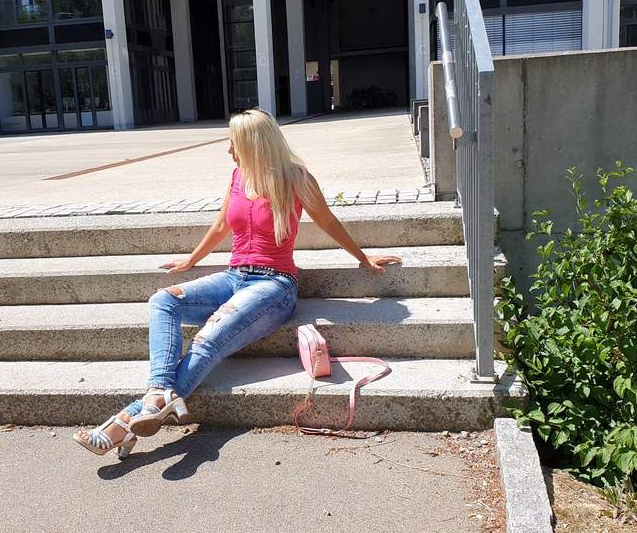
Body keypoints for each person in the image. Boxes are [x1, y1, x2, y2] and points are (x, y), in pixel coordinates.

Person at [74, 108, 402, 458]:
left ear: (253, 144)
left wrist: (362, 257)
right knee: (163, 300)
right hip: (233, 277)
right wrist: (191, 260)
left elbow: (327, 220)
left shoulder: (297, 178)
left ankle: (124, 421)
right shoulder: (238, 176)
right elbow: (221, 226)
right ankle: (158, 394)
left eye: (233, 142)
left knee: (209, 337)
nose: (229, 148)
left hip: (274, 286)